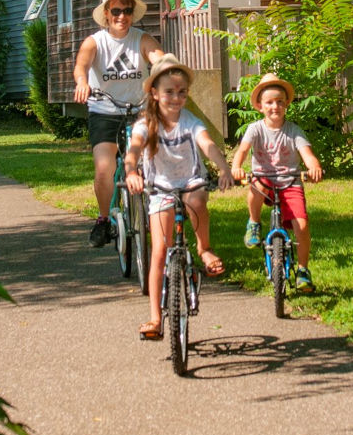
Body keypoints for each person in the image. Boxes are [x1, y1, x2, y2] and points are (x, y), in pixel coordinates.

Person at [123, 54, 233, 339]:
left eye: (182, 92)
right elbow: (134, 149)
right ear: (155, 93)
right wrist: (132, 172)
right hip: (160, 186)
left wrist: (223, 168)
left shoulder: (190, 121)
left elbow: (207, 144)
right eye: (169, 92)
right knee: (159, 250)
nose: (176, 97)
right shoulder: (146, 123)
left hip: (190, 180)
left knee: (196, 200)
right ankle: (155, 318)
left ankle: (204, 248)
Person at [72, 0, 164, 246]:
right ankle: (103, 220)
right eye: (116, 11)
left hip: (140, 110)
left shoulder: (141, 38)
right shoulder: (95, 42)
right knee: (104, 168)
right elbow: (82, 65)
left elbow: (157, 56)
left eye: (127, 10)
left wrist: (167, 68)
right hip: (105, 110)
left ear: (132, 13)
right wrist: (82, 82)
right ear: (106, 15)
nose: (121, 16)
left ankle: (159, 211)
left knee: (153, 162)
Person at [230, 72, 324, 294]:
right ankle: (253, 222)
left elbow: (307, 154)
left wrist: (313, 167)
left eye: (280, 102)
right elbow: (242, 151)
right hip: (265, 180)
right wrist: (236, 167)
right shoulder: (255, 129)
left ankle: (303, 270)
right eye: (269, 102)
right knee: (256, 185)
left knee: (301, 225)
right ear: (260, 106)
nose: (275, 106)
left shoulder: (293, 131)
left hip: (290, 182)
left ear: (287, 105)